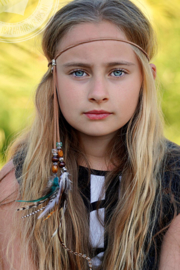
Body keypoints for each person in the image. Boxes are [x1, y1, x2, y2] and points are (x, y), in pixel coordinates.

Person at [0, 0, 180, 269]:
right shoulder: (21, 180)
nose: (98, 93)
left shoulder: (174, 177)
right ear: (54, 80)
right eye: (79, 72)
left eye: (117, 72)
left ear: (147, 78)